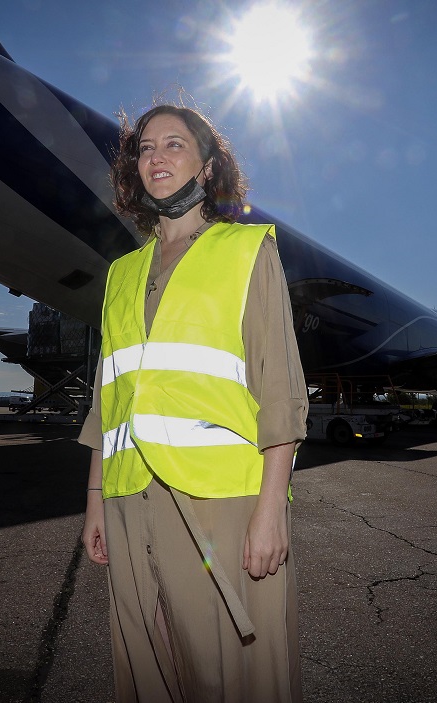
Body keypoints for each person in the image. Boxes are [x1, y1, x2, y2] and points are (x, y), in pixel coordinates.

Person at [78, 103, 308, 702]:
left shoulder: (246, 251)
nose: (156, 156)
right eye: (146, 147)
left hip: (219, 497)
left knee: (226, 665)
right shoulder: (122, 275)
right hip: (128, 495)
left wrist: (271, 510)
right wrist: (95, 500)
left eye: (174, 144)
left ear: (206, 168)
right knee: (145, 653)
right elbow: (110, 400)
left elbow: (279, 386)